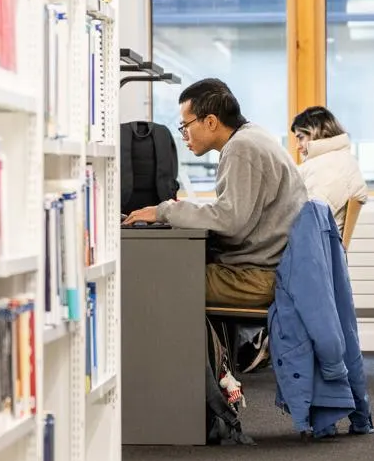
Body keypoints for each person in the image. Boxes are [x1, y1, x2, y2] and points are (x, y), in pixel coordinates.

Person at [123, 78, 307, 307]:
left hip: (258, 277)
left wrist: (165, 211)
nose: (183, 136)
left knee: (158, 279)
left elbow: (228, 220)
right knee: (174, 266)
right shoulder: (252, 136)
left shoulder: (241, 148)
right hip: (271, 268)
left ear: (210, 122)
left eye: (185, 126)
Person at [291, 106, 367, 234]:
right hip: (329, 246)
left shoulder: (321, 166)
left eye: (301, 137)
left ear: (316, 131)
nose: (298, 146)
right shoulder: (345, 160)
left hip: (314, 247)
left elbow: (309, 221)